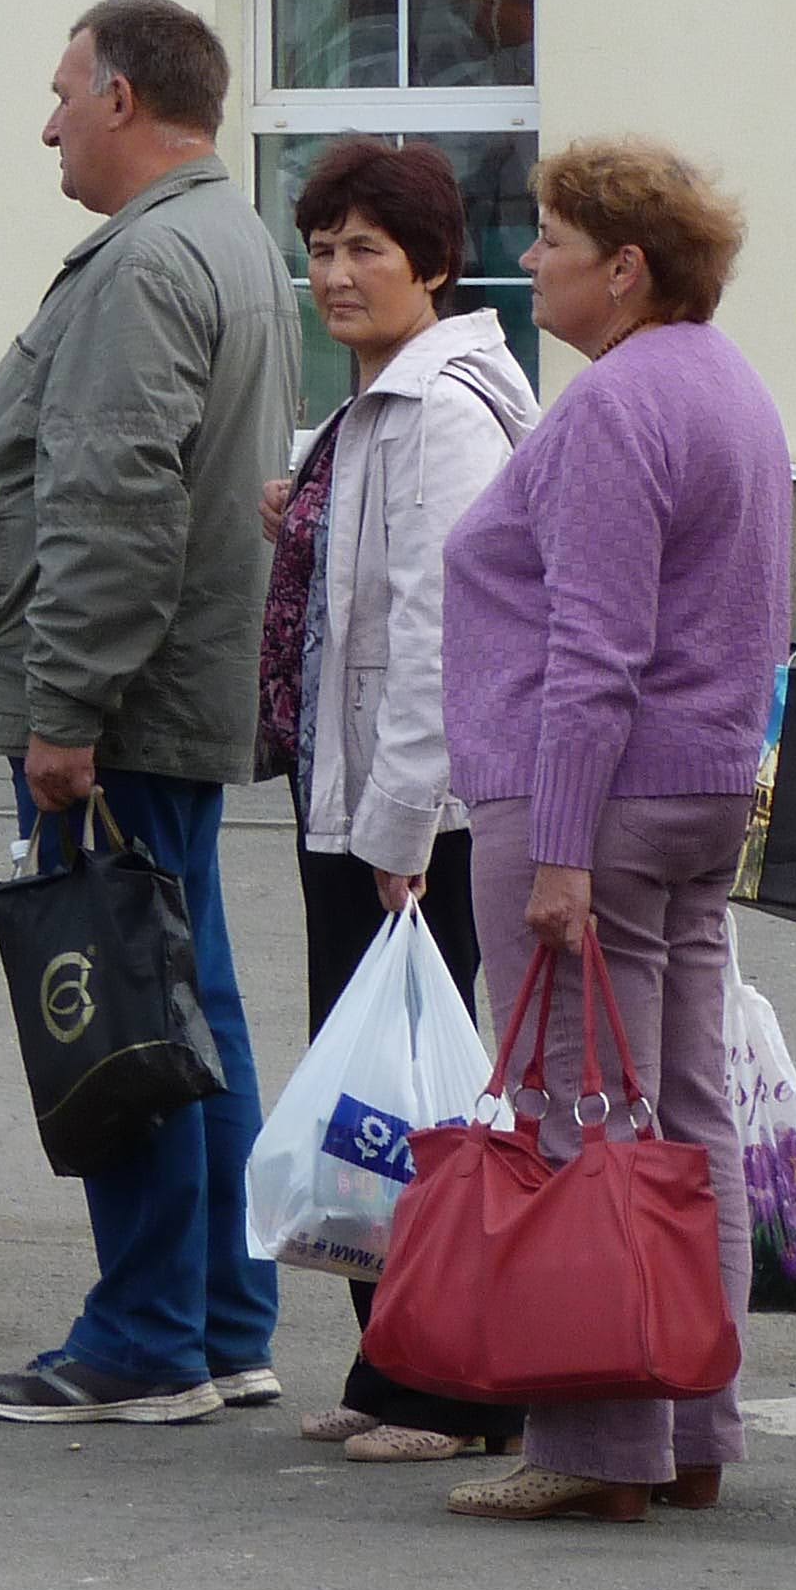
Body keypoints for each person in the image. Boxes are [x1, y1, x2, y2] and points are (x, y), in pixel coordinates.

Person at [0, 0, 293, 1424]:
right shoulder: (227, 236)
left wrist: (68, 708)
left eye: (63, 94)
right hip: (171, 692)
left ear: (125, 98)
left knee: (121, 1004)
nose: (48, 126)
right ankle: (221, 1320)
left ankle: (147, 1340)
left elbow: (113, 502)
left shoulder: (145, 262)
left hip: (120, 711)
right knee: (191, 997)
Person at [435, 137, 787, 1521]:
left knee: (575, 1114)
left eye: (552, 240)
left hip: (590, 798)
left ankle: (595, 1448)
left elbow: (594, 647)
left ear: (625, 268)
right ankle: (694, 1425)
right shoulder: (731, 382)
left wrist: (562, 850)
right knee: (686, 1120)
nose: (529, 261)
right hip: (703, 792)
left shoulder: (615, 405)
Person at [255, 136, 534, 1464]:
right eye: (320, 250)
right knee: (370, 1089)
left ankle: (458, 1390)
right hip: (357, 796)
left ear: (432, 263)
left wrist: (406, 822)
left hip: (413, 814)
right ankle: (394, 1361)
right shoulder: (379, 400)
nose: (336, 274)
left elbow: (443, 633)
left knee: (420, 1107)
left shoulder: (443, 410)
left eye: (366, 249)